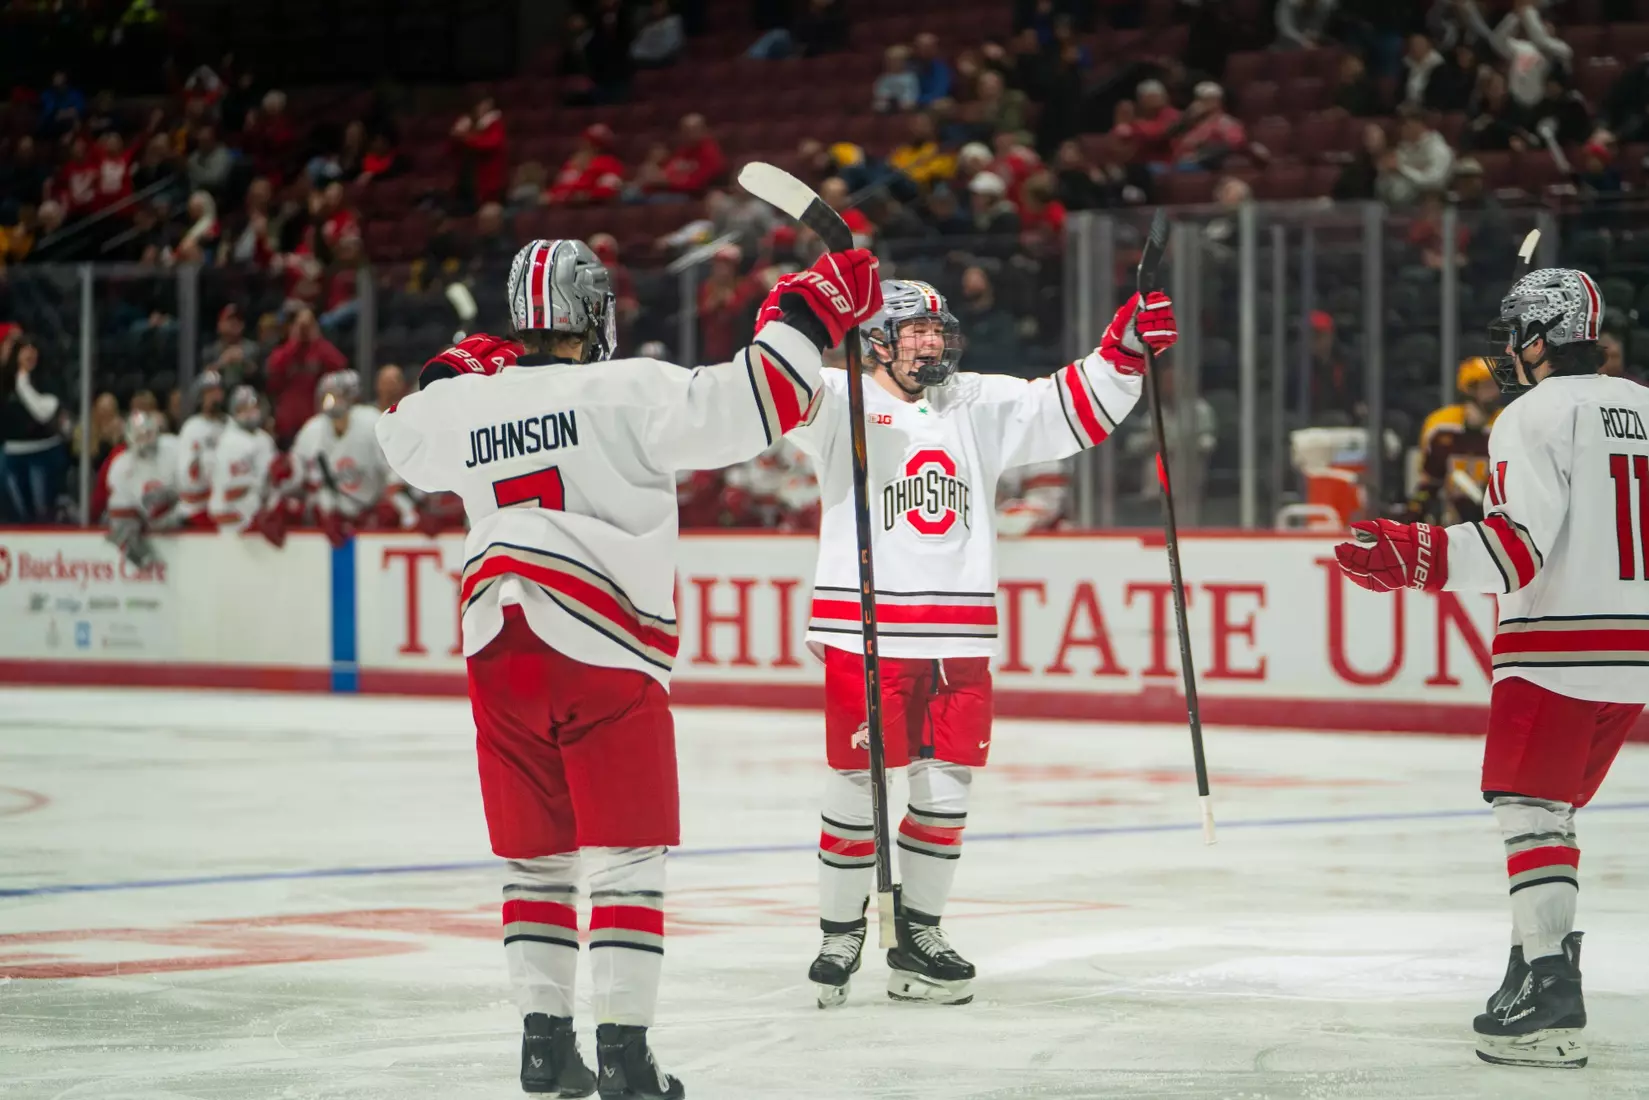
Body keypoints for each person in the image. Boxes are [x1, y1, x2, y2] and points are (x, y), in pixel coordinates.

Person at [375, 238, 882, 1097]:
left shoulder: (466, 402)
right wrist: (807, 310)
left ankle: (544, 1048)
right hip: (602, 646)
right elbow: (767, 396)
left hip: (495, 645)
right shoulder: (631, 385)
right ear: (592, 311)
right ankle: (623, 1055)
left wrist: (451, 369)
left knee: (536, 862)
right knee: (625, 857)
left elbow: (403, 437)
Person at [780, 279, 1176, 1007]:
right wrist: (789, 317)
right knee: (856, 786)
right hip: (867, 630)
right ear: (875, 339)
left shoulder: (976, 400)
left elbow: (1068, 409)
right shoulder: (837, 400)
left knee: (945, 789)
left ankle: (920, 937)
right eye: (915, 330)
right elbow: (767, 391)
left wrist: (1119, 354)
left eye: (940, 329)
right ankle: (840, 931)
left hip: (959, 631)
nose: (933, 342)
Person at [1334, 268, 1648, 1070]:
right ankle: (1528, 967)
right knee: (1551, 816)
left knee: (1531, 811)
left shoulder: (1532, 413)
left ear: (1538, 337)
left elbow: (1514, 551)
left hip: (1558, 646)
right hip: (1636, 649)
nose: (1505, 351)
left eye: (1513, 333)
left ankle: (1548, 993)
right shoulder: (1645, 405)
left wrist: (1418, 555)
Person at [286, 369, 413, 547]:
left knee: (402, 510)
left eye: (337, 395)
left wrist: (391, 502)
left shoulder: (371, 422)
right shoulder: (311, 431)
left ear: (351, 396)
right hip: (332, 517)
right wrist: (285, 473)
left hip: (371, 511)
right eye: (328, 396)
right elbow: (295, 476)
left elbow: (396, 469)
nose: (332, 402)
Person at [1407, 357, 1500, 524]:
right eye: (1488, 385)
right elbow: (1430, 480)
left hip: (1495, 513)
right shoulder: (1441, 426)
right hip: (1452, 515)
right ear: (1470, 389)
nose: (1495, 392)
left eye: (1496, 385)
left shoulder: (1505, 423)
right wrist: (1415, 511)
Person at [106, 410, 182, 567]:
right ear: (130, 439)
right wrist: (127, 535)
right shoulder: (121, 467)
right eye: (141, 436)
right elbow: (120, 511)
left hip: (183, 526)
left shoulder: (174, 448)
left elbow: (193, 490)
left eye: (149, 433)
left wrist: (174, 499)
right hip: (151, 532)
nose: (147, 440)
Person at [209, 386, 277, 533]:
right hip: (233, 519)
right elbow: (235, 490)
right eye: (243, 408)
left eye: (253, 407)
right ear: (234, 412)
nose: (250, 412)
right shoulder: (230, 442)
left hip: (257, 514)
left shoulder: (264, 439)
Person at [175, 371, 228, 526]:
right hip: (196, 509)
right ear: (201, 396)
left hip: (225, 505)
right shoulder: (192, 428)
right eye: (210, 391)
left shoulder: (230, 426)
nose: (215, 396)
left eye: (218, 390)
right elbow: (186, 475)